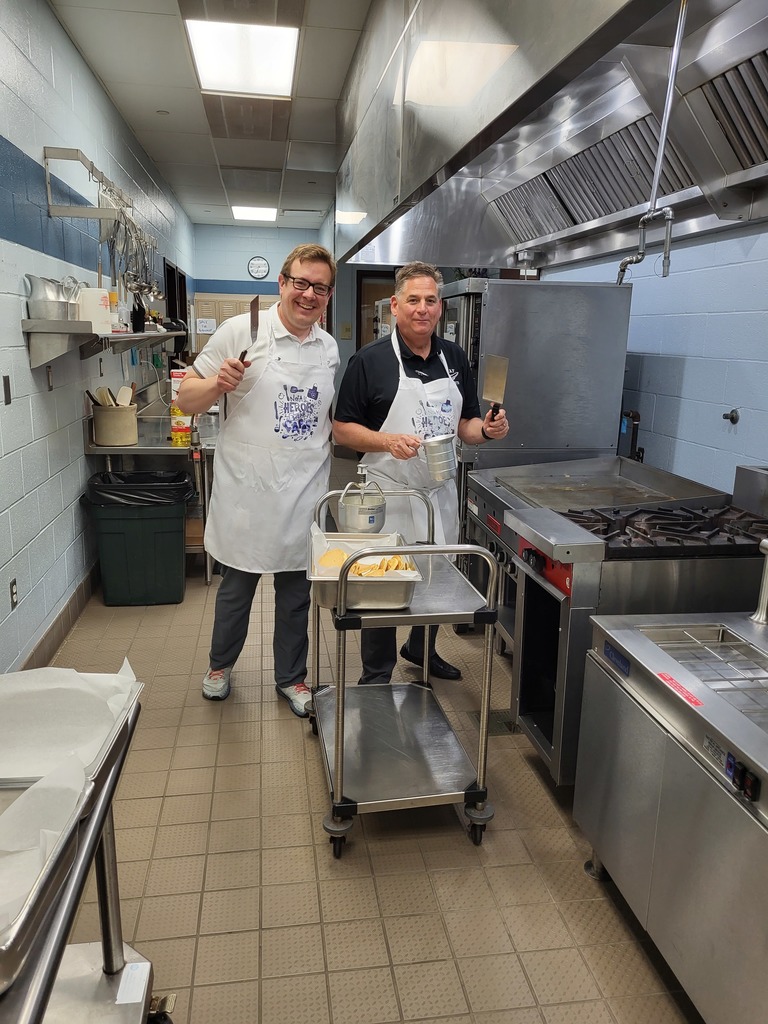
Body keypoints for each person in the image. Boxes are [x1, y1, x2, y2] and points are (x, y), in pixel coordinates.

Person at [176, 243, 338, 715]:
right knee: (236, 590)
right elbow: (185, 399)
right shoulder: (241, 332)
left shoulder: (328, 348)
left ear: (328, 295)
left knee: (295, 596)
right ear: (282, 283)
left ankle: (292, 678)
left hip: (303, 491)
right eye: (301, 283)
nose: (309, 295)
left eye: (320, 288)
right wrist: (217, 384)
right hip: (248, 492)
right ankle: (220, 667)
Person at [332, 261, 509, 685]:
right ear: (395, 305)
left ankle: (421, 649)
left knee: (434, 577)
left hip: (438, 493)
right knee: (383, 583)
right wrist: (386, 441)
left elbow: (465, 425)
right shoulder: (369, 361)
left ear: (440, 307)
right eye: (413, 300)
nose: (423, 308)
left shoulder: (454, 358)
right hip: (389, 494)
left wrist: (487, 430)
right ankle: (377, 673)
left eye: (431, 300)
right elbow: (342, 428)